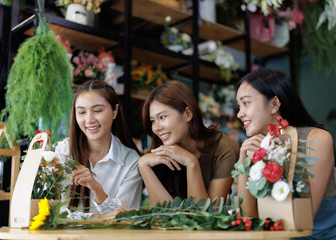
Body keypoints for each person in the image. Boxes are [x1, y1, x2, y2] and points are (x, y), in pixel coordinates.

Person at [235, 68, 336, 239]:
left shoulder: (317, 139)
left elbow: (303, 218)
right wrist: (244, 164)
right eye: (239, 106)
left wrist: (267, 160)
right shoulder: (256, 147)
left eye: (246, 103)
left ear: (274, 104)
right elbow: (248, 220)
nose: (240, 114)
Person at [138, 81, 239, 205]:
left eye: (162, 117)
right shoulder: (156, 155)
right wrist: (143, 166)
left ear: (188, 114)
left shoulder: (224, 149)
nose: (156, 128)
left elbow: (208, 216)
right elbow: (164, 215)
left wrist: (191, 163)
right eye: (153, 120)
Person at [55, 80, 143, 218]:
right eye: (82, 112)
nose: (89, 119)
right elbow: (50, 212)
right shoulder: (62, 152)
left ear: (115, 111)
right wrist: (97, 217)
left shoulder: (131, 161)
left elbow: (124, 217)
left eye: (97, 111)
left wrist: (98, 190)